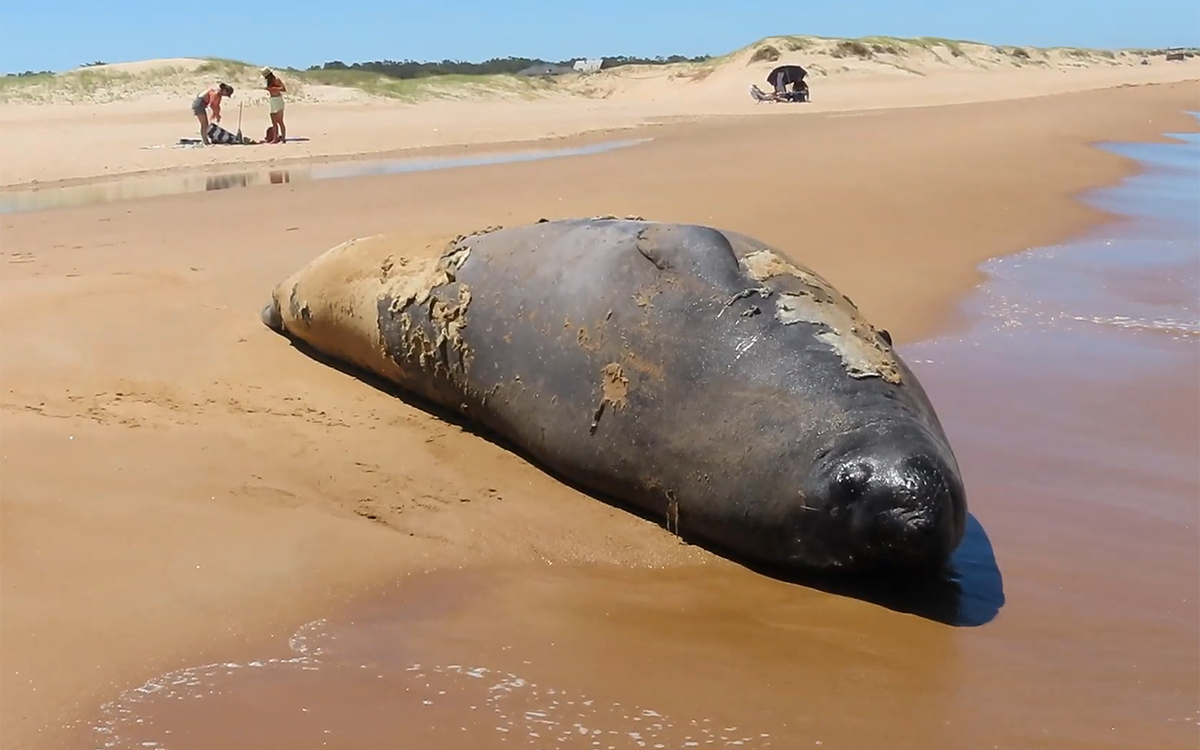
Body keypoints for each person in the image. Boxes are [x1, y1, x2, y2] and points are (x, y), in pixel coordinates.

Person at [261, 67, 287, 143]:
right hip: (273, 100)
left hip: (278, 99)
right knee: (274, 121)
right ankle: (275, 138)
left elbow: (283, 89)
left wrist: (275, 88)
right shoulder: (268, 82)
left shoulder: (276, 79)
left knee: (280, 121)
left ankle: (283, 138)